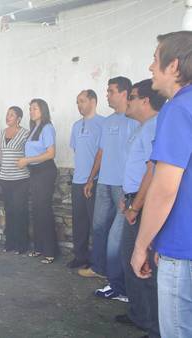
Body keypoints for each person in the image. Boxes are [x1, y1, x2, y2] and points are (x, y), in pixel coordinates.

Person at [131, 31, 192, 338]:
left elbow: (165, 187)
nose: (150, 66)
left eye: (156, 59)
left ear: (174, 66)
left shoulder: (178, 108)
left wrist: (141, 245)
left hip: (184, 249)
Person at [113, 79, 165, 338]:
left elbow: (152, 172)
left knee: (143, 263)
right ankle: (139, 314)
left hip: (142, 204)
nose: (128, 101)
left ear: (145, 101)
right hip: (133, 198)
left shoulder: (155, 126)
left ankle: (152, 325)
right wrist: (128, 198)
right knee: (129, 258)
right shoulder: (142, 127)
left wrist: (135, 206)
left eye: (132, 96)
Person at [79, 77, 137, 303]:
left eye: (111, 91)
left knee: (118, 237)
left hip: (125, 187)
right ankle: (99, 268)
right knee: (99, 227)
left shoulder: (134, 120)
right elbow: (101, 153)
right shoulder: (108, 122)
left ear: (124, 93)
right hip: (104, 182)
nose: (107, 95)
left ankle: (119, 283)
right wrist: (91, 178)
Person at [67, 90, 105, 268]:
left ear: (93, 101)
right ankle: (80, 256)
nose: (79, 105)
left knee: (95, 222)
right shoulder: (76, 126)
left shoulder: (102, 124)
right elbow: (77, 150)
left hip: (95, 180)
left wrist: (91, 178)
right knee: (79, 221)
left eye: (82, 101)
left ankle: (97, 261)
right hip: (78, 180)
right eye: (77, 102)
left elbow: (102, 154)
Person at [18, 98, 58, 264]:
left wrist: (27, 160)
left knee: (44, 210)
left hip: (45, 171)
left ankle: (50, 251)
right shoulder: (34, 129)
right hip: (35, 172)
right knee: (36, 210)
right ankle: (39, 247)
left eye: (35, 108)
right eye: (30, 109)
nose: (31, 111)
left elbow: (51, 153)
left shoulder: (47, 128)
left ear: (43, 110)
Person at [0, 106, 30, 254]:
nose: (8, 117)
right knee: (9, 210)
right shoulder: (2, 133)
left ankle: (22, 244)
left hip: (20, 178)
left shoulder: (25, 133)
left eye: (11, 115)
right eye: (7, 114)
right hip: (5, 177)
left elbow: (30, 153)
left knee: (20, 210)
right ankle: (9, 242)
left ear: (18, 118)